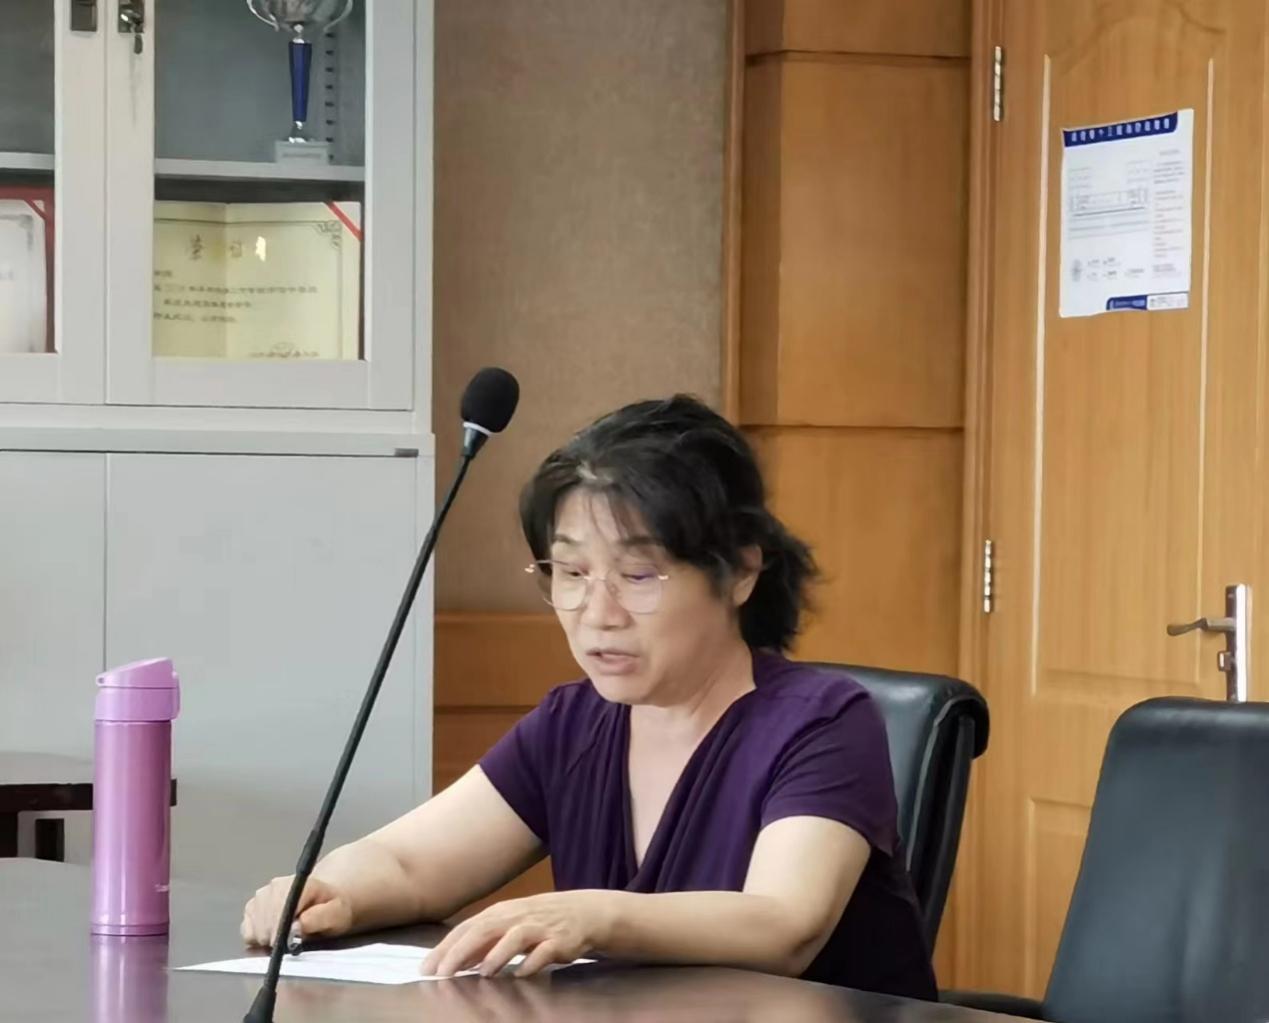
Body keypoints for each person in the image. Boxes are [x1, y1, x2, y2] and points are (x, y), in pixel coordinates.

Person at [241, 395, 937, 1000]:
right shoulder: (572, 724)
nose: (597, 613)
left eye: (638, 575)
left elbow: (783, 924)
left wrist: (591, 917)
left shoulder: (822, 722)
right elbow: (410, 863)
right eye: (570, 572)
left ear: (740, 571)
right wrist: (328, 890)